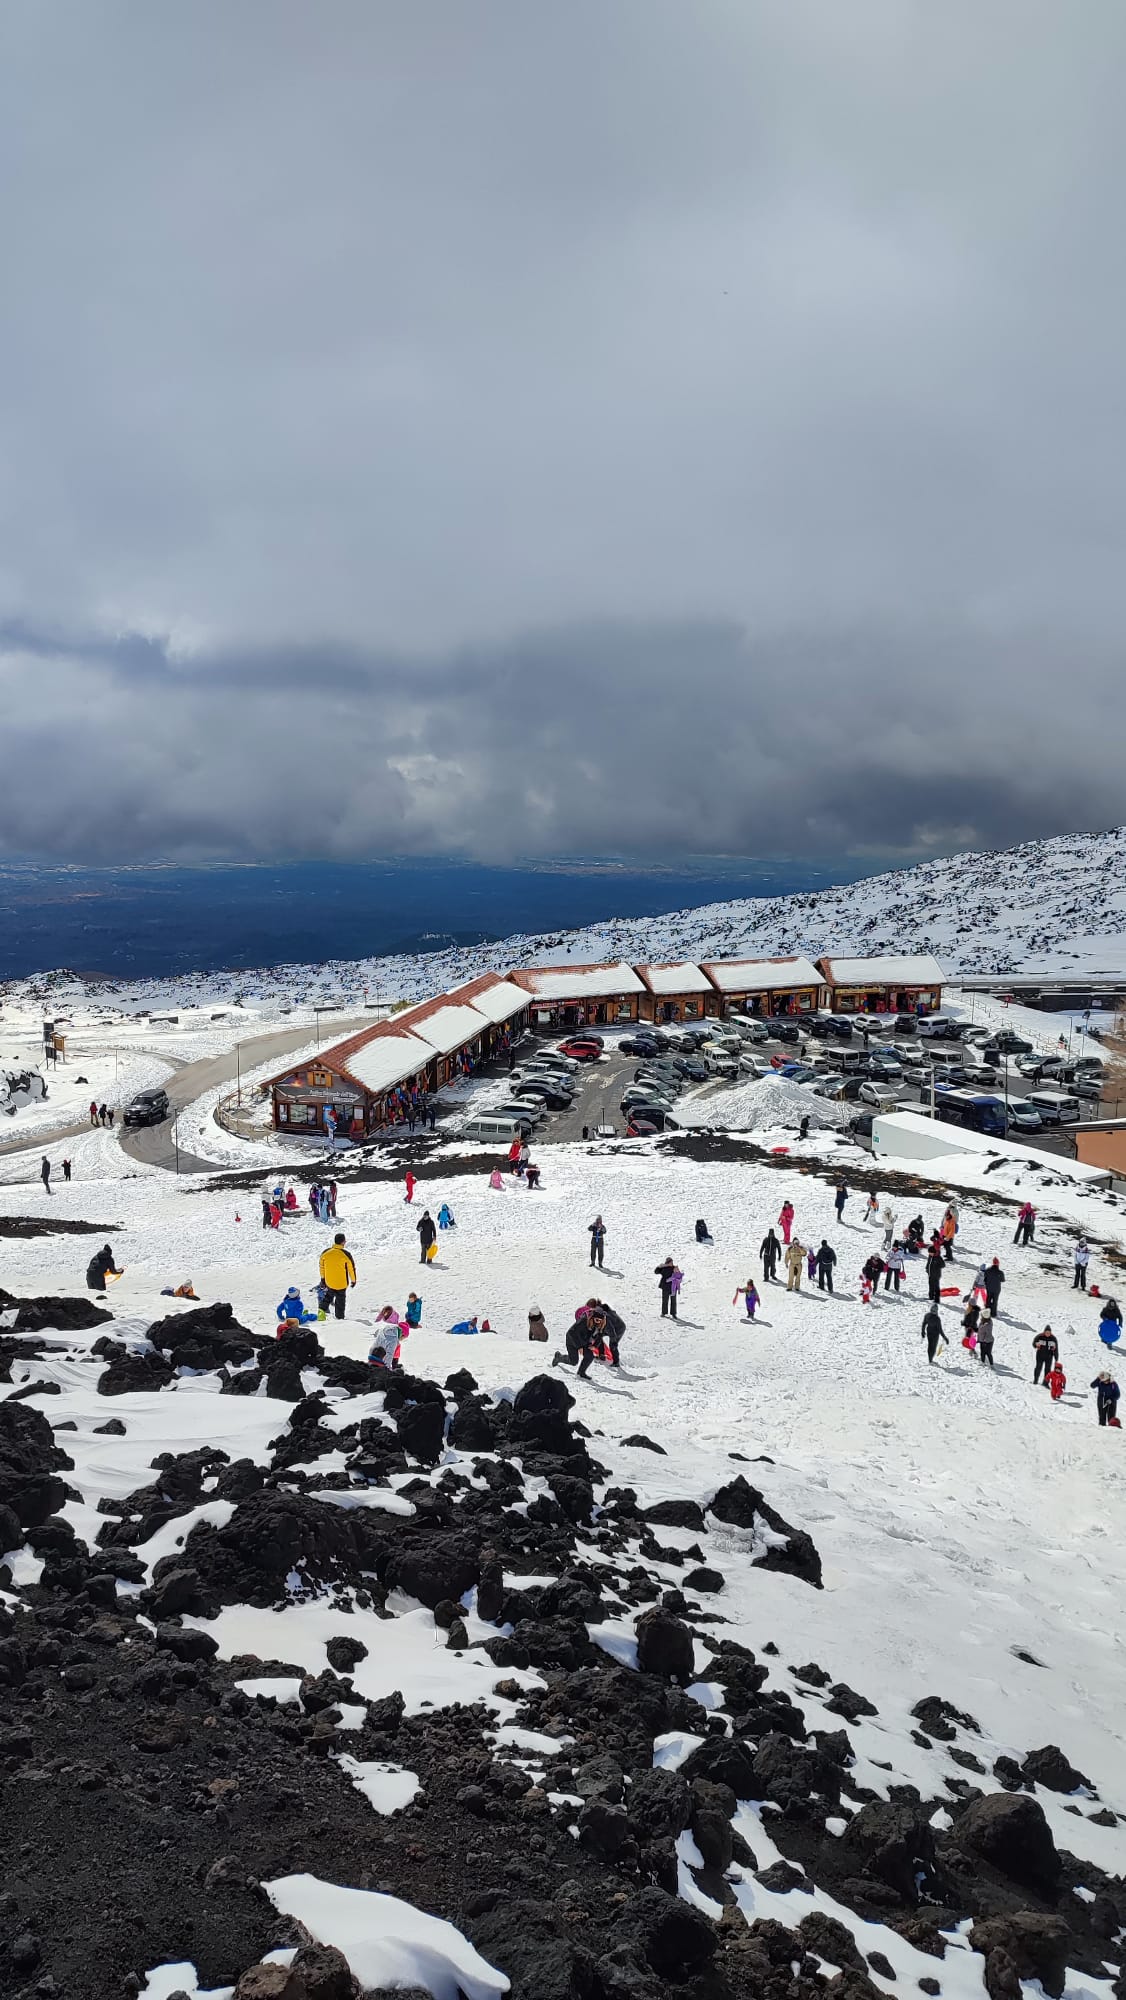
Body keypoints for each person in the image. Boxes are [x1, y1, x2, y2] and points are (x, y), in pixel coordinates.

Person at [318, 1233, 357, 1319]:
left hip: (329, 1282)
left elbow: (321, 1267)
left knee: (328, 1297)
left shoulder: (325, 1253)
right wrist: (353, 1280)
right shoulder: (346, 1254)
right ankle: (339, 1319)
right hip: (341, 1284)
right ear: (343, 1242)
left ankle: (321, 1311)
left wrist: (323, 1279)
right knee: (340, 1302)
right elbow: (351, 1269)